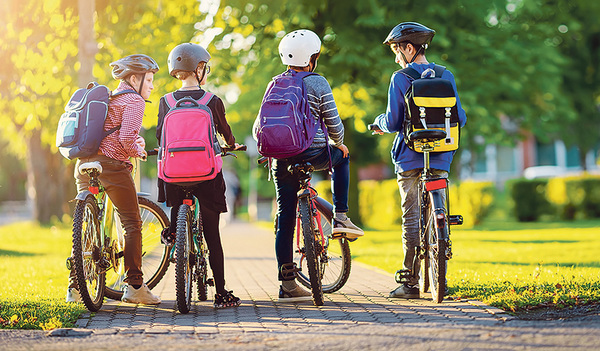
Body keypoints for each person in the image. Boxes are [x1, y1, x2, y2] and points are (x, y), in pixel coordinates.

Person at [253, 29, 364, 302]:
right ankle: (341, 214)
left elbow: (258, 126)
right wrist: (339, 143)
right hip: (313, 153)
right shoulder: (318, 82)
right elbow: (335, 125)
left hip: (281, 159)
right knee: (343, 157)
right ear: (312, 58)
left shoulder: (274, 84)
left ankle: (287, 284)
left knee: (286, 219)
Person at [371, 22, 467, 299]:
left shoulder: (400, 78)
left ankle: (410, 282)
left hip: (410, 158)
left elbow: (392, 121)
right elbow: (460, 117)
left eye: (397, 51)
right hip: (441, 156)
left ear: (409, 48)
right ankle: (441, 252)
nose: (396, 57)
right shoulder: (446, 75)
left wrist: (377, 124)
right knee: (440, 208)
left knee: (411, 218)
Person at [66, 54, 162, 305]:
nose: (152, 86)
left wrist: (133, 143)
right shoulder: (134, 100)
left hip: (85, 164)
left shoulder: (109, 97)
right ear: (134, 79)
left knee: (86, 223)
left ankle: (75, 288)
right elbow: (126, 140)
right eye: (149, 80)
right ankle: (135, 286)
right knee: (132, 222)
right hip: (111, 166)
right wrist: (139, 150)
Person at [156, 43, 242, 309]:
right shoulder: (212, 101)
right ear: (200, 68)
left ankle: (173, 233)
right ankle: (221, 293)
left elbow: (161, 136)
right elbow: (225, 133)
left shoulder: (166, 102)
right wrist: (232, 144)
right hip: (206, 175)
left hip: (173, 174)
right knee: (212, 234)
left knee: (174, 195)